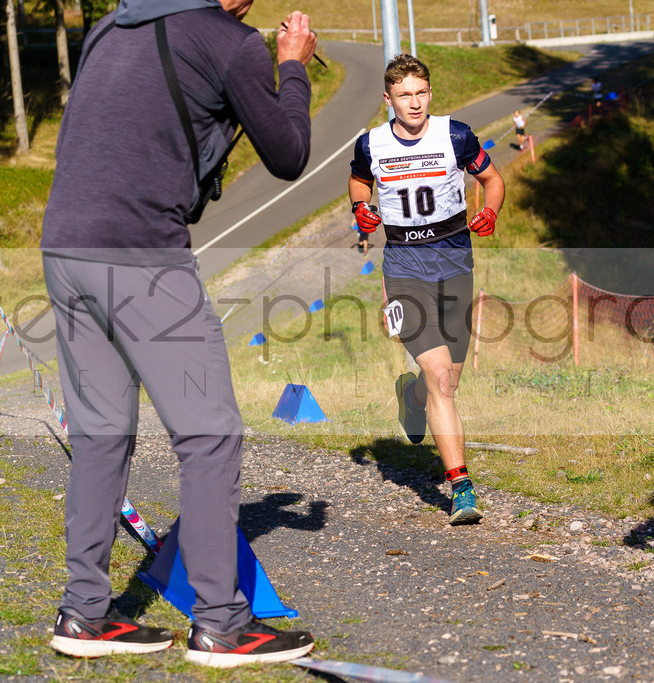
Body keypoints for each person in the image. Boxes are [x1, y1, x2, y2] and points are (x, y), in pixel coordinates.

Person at [39, 0, 317, 666]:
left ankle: (83, 612)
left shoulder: (112, 25)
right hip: (140, 252)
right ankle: (222, 623)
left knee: (102, 433)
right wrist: (292, 68)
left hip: (64, 247)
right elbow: (289, 153)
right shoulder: (231, 42)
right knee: (210, 433)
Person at [348, 54, 505, 526]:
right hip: (402, 270)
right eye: (403, 95)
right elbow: (359, 181)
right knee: (440, 376)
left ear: (429, 93)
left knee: (447, 382)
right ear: (388, 99)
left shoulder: (456, 135)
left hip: (455, 265)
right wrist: (362, 209)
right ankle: (460, 487)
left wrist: (491, 211)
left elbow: (493, 180)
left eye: (420, 93)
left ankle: (410, 400)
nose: (413, 103)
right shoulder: (371, 143)